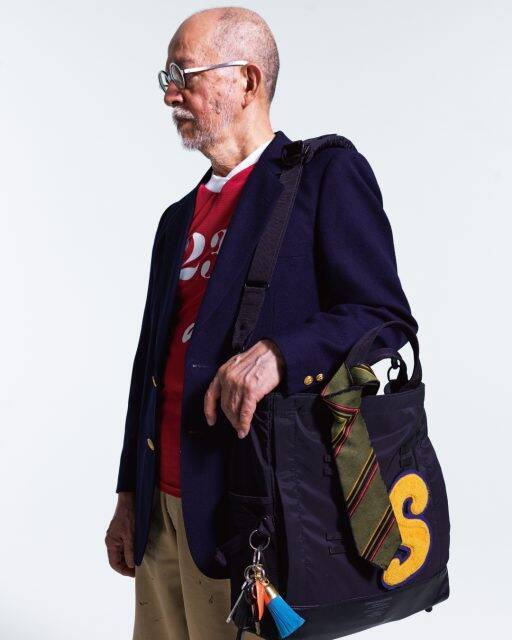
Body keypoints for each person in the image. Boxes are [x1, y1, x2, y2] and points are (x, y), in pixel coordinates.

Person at [104, 6, 418, 639]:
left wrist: (281, 353)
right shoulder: (176, 218)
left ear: (246, 80)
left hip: (254, 514)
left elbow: (384, 319)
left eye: (182, 75)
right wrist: (128, 494)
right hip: (162, 509)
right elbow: (150, 364)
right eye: (166, 78)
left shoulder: (323, 175)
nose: (169, 94)